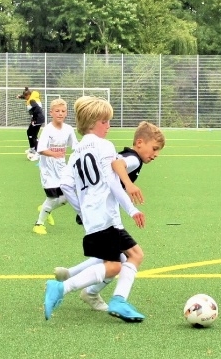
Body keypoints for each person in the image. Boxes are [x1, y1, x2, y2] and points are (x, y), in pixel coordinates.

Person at [43, 96, 146, 323]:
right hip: (107, 217)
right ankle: (63, 287)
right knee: (115, 265)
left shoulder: (76, 152)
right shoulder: (104, 146)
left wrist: (82, 210)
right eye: (105, 121)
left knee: (131, 256)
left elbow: (66, 185)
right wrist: (132, 209)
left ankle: (115, 299)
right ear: (92, 123)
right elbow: (112, 182)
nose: (108, 126)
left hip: (93, 217)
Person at [53, 121, 165, 312]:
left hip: (92, 208)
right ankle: (96, 293)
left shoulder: (121, 153)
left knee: (116, 256)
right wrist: (129, 185)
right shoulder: (134, 159)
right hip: (104, 214)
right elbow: (117, 165)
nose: (155, 154)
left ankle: (73, 276)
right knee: (130, 257)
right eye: (154, 148)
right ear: (139, 142)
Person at [32, 98, 77, 235]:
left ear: (66, 113)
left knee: (66, 197)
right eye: (57, 111)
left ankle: (45, 208)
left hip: (62, 168)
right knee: (52, 198)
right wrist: (54, 154)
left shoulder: (68, 129)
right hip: (48, 169)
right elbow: (40, 149)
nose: (60, 113)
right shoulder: (48, 130)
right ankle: (39, 224)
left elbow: (75, 146)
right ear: (51, 113)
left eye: (63, 111)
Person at [19, 87, 45, 157]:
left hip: (38, 119)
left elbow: (37, 109)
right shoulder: (31, 97)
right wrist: (20, 97)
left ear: (28, 95)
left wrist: (34, 119)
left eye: (25, 97)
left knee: (34, 135)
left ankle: (38, 152)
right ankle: (32, 148)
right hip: (36, 118)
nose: (25, 98)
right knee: (29, 132)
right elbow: (26, 96)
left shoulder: (32, 101)